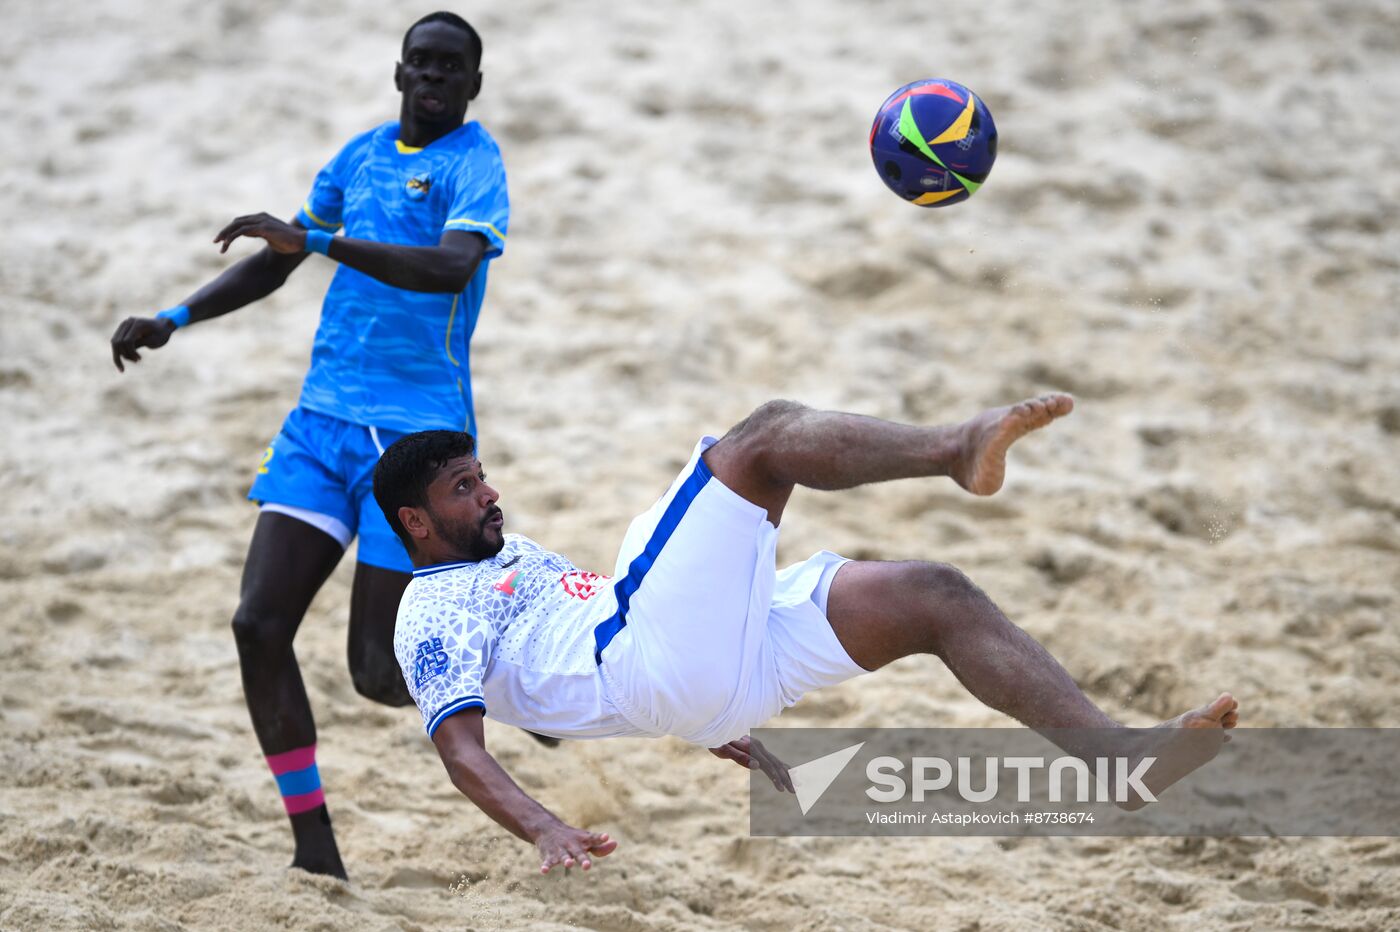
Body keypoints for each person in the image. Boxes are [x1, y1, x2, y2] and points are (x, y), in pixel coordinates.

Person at [372, 393, 1240, 874]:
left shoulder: (500, 554)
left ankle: (1116, 760)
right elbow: (461, 748)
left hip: (703, 677)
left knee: (937, 595)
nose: (488, 495)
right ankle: (956, 447)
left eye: (482, 477)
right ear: (414, 521)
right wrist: (543, 827)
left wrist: (711, 723)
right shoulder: (429, 612)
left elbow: (552, 676)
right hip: (646, 656)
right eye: (461, 488)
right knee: (761, 440)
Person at [108, 12, 511, 879]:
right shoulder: (360, 156)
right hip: (320, 426)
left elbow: (448, 267)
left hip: (415, 446)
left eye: (452, 69)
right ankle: (315, 844)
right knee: (257, 624)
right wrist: (175, 317)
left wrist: (320, 241)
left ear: (473, 85)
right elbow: (277, 259)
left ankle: (524, 685)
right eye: (421, 65)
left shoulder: (473, 164)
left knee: (375, 670)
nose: (434, 80)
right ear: (398, 73)